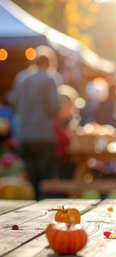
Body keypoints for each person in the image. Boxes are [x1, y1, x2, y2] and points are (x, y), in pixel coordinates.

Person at [12, 53, 62, 200]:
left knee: (31, 172)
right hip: (44, 133)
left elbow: (15, 105)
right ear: (49, 64)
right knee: (45, 175)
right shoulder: (49, 79)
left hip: (25, 133)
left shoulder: (21, 78)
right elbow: (54, 107)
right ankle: (43, 204)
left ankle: (33, 201)